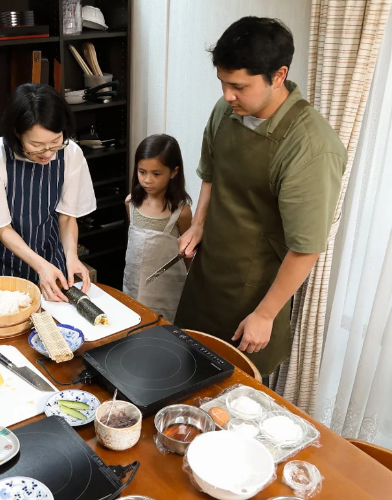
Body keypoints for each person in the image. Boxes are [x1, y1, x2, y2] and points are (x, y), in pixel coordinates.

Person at [174, 17, 346, 377]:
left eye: (238, 86)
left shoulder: (311, 147)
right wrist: (200, 223)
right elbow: (211, 172)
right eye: (222, 83)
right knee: (183, 372)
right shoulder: (227, 111)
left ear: (279, 75)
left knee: (235, 399)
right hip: (207, 276)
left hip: (253, 294)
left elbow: (307, 246)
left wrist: (266, 314)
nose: (226, 95)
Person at [0, 84, 96, 302]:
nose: (47, 153)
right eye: (36, 145)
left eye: (55, 142)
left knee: (54, 326)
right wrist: (39, 266)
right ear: (17, 133)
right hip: (2, 262)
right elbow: (2, 228)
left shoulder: (71, 154)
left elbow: (66, 218)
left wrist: (71, 256)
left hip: (49, 253)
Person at [123, 135, 192, 321]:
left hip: (166, 293)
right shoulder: (131, 203)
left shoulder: (181, 211)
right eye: (142, 172)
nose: (147, 180)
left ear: (174, 172)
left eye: (156, 174)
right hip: (133, 286)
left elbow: (187, 256)